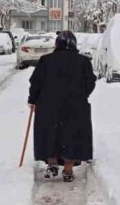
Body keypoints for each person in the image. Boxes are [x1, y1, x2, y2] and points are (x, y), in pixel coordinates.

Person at [27, 30, 96, 182]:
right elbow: (90, 83)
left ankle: (52, 163)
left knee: (51, 134)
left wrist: (33, 100)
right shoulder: (83, 61)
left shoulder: (46, 60)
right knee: (72, 136)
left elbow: (36, 82)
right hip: (75, 106)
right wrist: (81, 95)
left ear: (57, 43)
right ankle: (68, 170)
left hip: (48, 105)